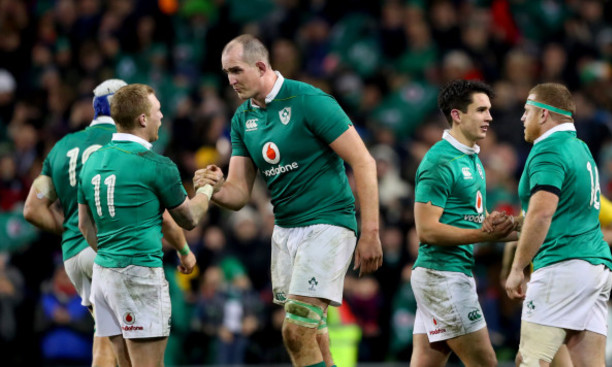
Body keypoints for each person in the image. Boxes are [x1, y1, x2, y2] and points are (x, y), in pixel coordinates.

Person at [196, 34, 382, 367]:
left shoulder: (308, 100)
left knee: (295, 331)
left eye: (237, 70)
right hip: (285, 233)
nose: (231, 80)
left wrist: (370, 232)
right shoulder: (242, 120)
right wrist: (215, 187)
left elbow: (364, 161)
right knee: (314, 335)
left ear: (261, 65)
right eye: (226, 72)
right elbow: (238, 193)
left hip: (328, 224)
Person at [76, 83, 222, 367]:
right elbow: (188, 219)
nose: (162, 116)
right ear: (143, 119)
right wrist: (206, 189)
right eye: (157, 111)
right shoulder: (156, 164)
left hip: (104, 276)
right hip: (138, 277)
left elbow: (84, 225)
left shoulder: (92, 162)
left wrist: (112, 256)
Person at [505, 83, 612, 367]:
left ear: (543, 114)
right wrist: (513, 223)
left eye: (526, 111)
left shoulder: (548, 150)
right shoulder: (581, 148)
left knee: (530, 360)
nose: (522, 118)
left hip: (562, 264)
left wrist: (517, 268)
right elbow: (564, 211)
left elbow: (542, 215)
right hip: (595, 267)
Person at [410, 79, 517, 367]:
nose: (489, 117)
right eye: (481, 110)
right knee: (486, 363)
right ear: (457, 115)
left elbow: (478, 227)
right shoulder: (440, 161)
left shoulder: (473, 160)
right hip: (442, 275)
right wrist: (483, 234)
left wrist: (529, 228)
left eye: (490, 110)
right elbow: (428, 230)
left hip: (447, 274)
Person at [23, 79, 127, 366]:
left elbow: (32, 208)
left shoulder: (62, 147)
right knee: (134, 339)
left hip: (75, 257)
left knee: (106, 335)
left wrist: (69, 228)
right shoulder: (127, 144)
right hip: (111, 250)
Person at [500, 194, 612, 366]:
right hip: (565, 276)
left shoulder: (568, 188)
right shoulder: (543, 190)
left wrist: (581, 249)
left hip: (558, 280)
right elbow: (524, 235)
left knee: (529, 358)